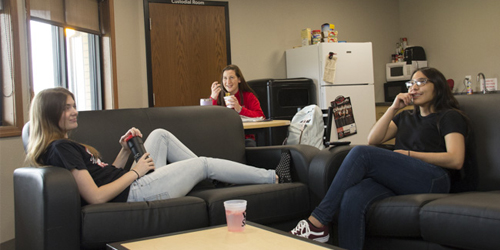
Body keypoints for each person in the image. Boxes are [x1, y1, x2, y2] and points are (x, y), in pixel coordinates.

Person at [290, 67, 474, 250]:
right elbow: (374, 139)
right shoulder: (405, 117)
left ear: (439, 86)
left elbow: (455, 159)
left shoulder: (449, 116)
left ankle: (317, 222)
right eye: (411, 84)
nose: (414, 88)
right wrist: (393, 108)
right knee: (352, 196)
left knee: (362, 153)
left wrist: (410, 155)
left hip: (434, 179)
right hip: (403, 178)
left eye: (421, 82)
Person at [25, 87, 292, 206]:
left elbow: (108, 173)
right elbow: (95, 197)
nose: (75, 112)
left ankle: (214, 180)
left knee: (160, 135)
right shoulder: (61, 148)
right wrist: (136, 172)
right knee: (203, 163)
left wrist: (125, 151)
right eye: (68, 107)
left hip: (133, 185)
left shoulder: (66, 145)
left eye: (74, 105)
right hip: (136, 193)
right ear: (51, 114)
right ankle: (274, 177)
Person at [210, 65, 265, 147]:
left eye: (231, 77)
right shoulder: (217, 96)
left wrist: (240, 109)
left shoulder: (249, 96)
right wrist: (213, 99)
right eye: (225, 78)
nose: (228, 82)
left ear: (239, 79)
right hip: (223, 137)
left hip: (244, 138)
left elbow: (261, 116)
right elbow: (208, 118)